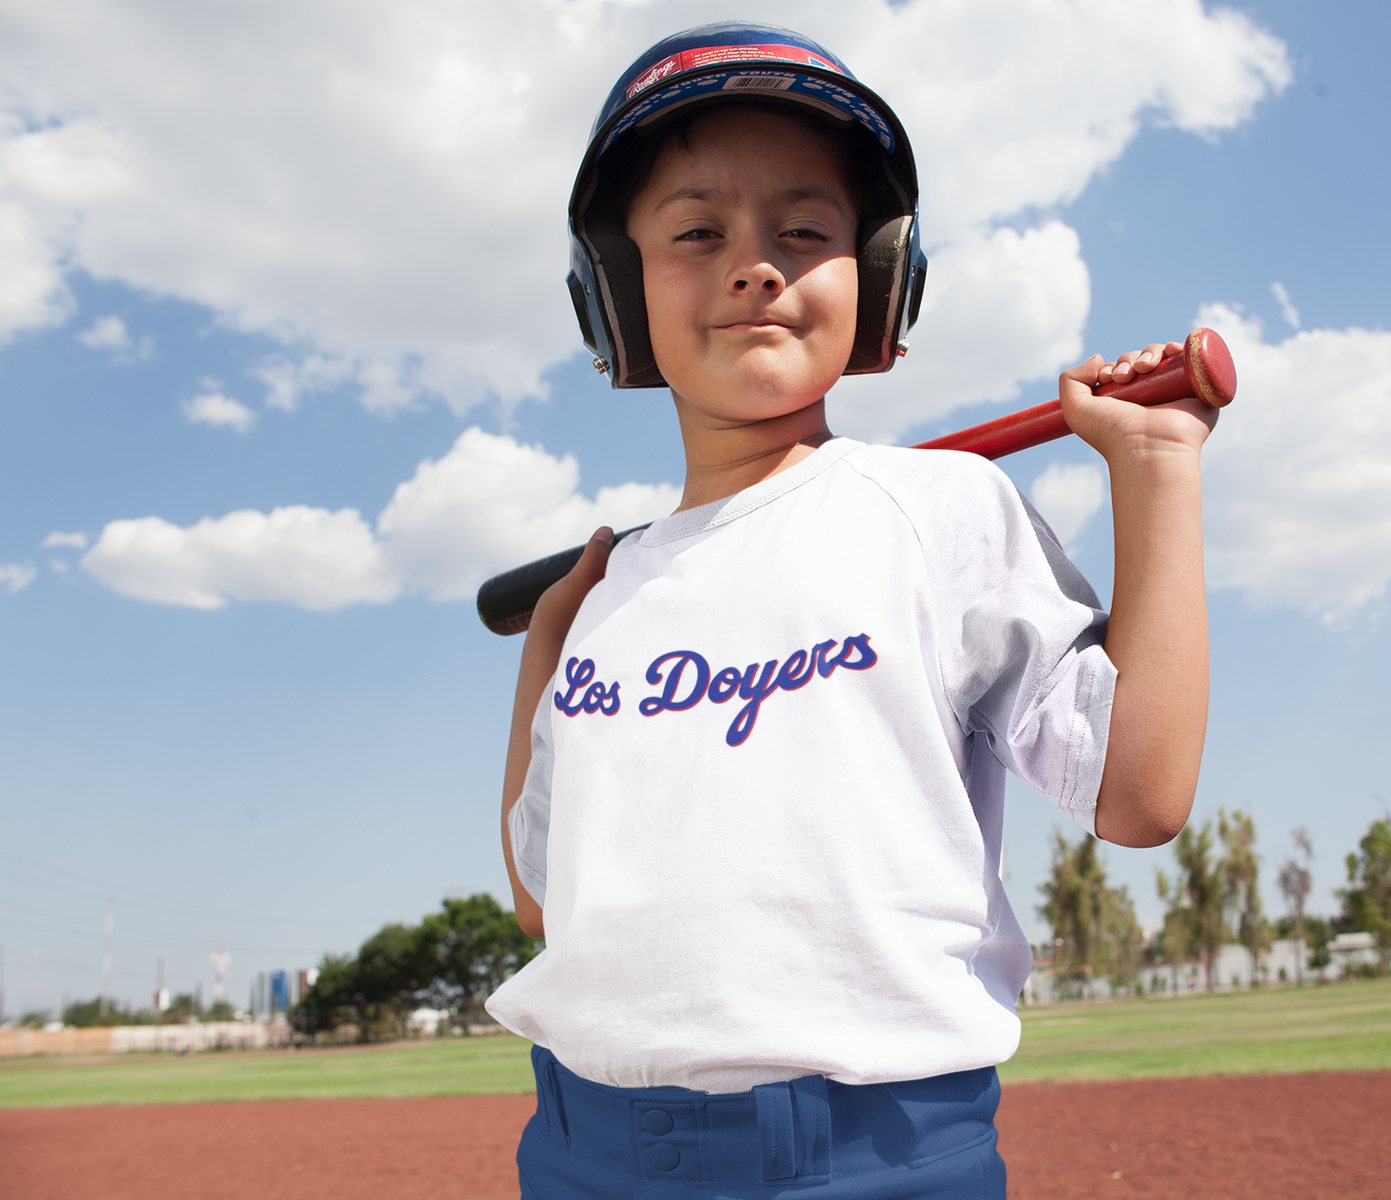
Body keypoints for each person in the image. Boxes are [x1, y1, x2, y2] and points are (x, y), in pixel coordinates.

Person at [486, 22, 1214, 1199]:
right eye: (694, 231)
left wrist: (1155, 467)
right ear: (613, 290)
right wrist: (550, 650)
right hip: (581, 1150)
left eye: (805, 230)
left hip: (870, 1157)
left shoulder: (939, 508)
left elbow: (1135, 794)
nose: (755, 263)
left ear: (877, 276)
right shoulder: (608, 597)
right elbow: (541, 898)